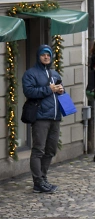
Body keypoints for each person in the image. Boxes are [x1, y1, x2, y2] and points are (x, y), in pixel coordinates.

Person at [22, 45, 63, 193]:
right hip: (40, 117)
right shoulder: (30, 74)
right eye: (43, 55)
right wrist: (49, 89)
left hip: (55, 116)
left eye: (48, 55)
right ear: (38, 56)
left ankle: (43, 178)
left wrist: (60, 90)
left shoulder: (54, 73)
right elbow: (29, 91)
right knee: (38, 149)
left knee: (50, 150)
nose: (46, 57)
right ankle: (37, 181)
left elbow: (59, 90)